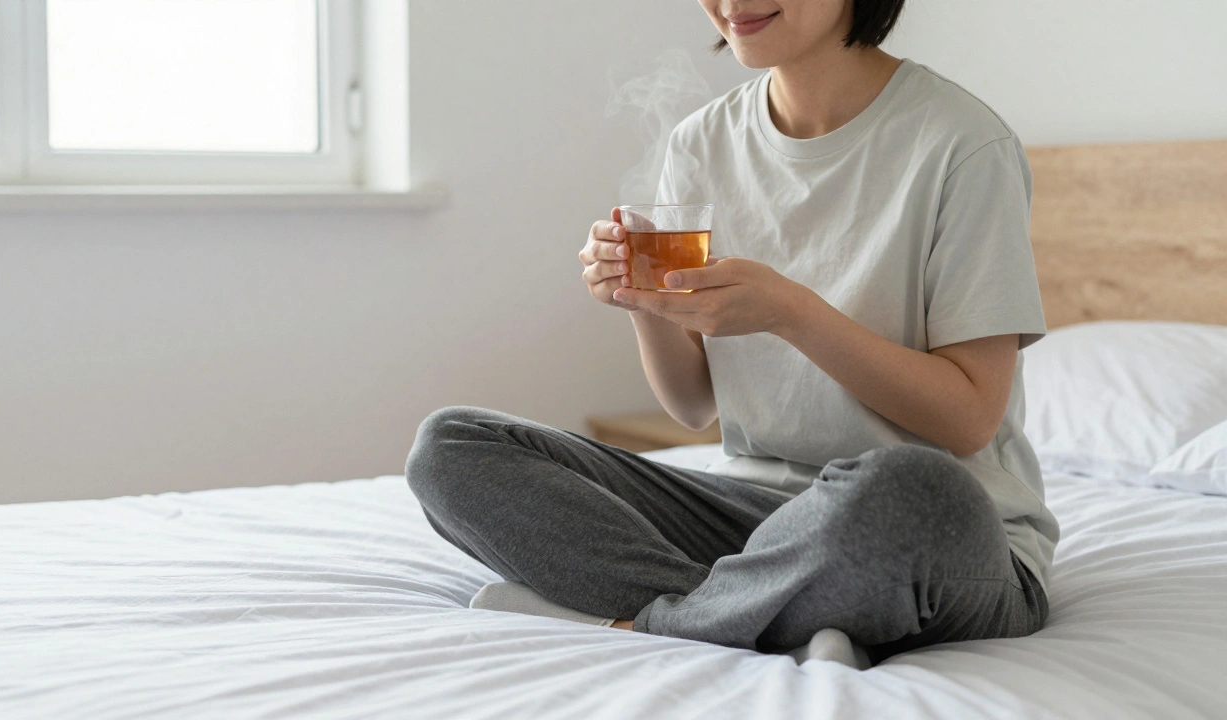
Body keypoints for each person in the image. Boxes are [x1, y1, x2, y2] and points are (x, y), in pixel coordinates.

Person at [406, 0, 1055, 668]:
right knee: (451, 448)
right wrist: (640, 301)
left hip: (935, 534)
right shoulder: (701, 142)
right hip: (755, 519)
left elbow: (970, 418)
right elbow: (693, 405)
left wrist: (792, 313)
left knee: (909, 490)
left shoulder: (963, 144)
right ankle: (758, 612)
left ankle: (657, 620)